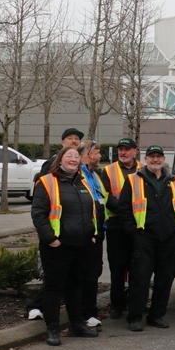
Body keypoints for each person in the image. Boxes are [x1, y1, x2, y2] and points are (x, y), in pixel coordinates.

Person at [30, 147, 99, 345]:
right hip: (57, 246)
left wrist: (93, 234)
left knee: (76, 286)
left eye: (77, 156)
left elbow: (92, 211)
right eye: (69, 156)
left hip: (81, 244)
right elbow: (38, 214)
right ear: (60, 160)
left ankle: (77, 324)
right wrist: (51, 238)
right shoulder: (47, 182)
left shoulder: (83, 182)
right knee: (54, 287)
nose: (74, 159)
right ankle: (52, 328)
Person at [116, 145, 175, 332]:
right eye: (152, 157)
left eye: (159, 157)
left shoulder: (174, 180)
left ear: (164, 159)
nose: (155, 160)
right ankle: (135, 317)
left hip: (168, 238)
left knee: (165, 279)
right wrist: (133, 232)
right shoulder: (133, 180)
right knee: (140, 278)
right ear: (145, 159)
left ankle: (156, 316)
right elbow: (123, 209)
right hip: (144, 237)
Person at [98, 137, 140, 321]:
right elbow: (107, 197)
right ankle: (117, 305)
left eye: (127, 149)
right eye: (120, 149)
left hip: (139, 225)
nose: (123, 152)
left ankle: (136, 302)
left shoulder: (144, 169)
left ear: (135, 151)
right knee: (117, 267)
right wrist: (126, 212)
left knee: (138, 267)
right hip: (117, 225)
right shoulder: (108, 171)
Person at [77, 140, 107, 330]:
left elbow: (102, 200)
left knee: (93, 273)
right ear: (89, 153)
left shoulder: (95, 175)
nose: (100, 156)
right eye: (97, 152)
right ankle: (83, 313)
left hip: (98, 231)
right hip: (84, 233)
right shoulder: (77, 175)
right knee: (82, 274)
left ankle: (89, 312)